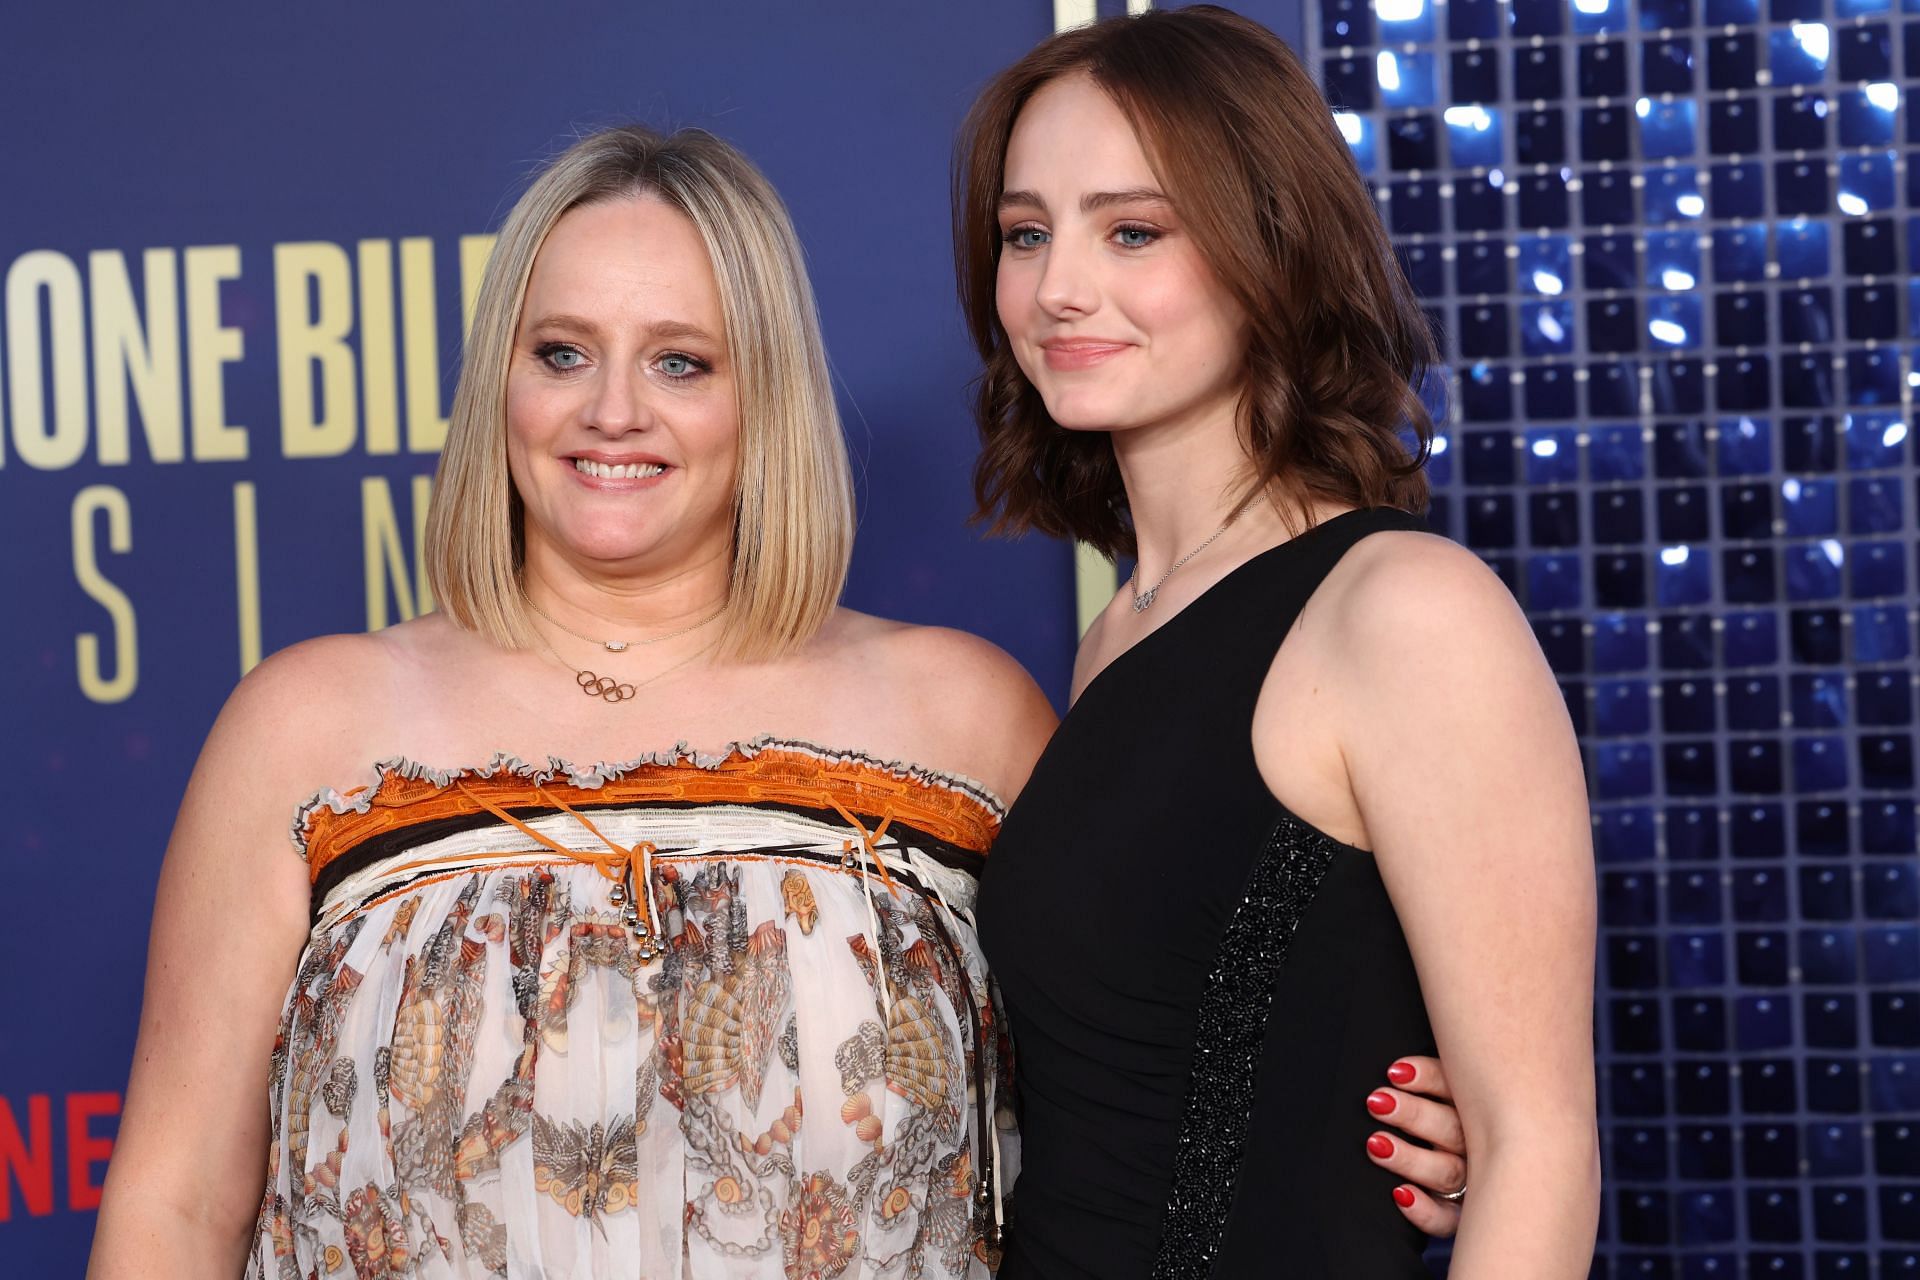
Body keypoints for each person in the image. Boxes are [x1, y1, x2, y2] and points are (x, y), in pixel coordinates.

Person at [88, 125, 1468, 1279]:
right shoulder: (308, 728)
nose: (612, 410)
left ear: (769, 399)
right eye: (561, 352)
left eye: (681, 361)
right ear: (496, 382)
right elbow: (172, 1207)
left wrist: (1399, 1130)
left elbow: (1153, 1088)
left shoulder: (963, 717)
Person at [960, 8, 1600, 1278]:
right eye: (1025, 234)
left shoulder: (1402, 609)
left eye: (1132, 230)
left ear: (1272, 249)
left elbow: (1539, 1148)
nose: (1059, 286)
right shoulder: (1117, 636)